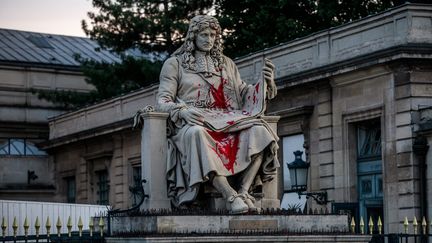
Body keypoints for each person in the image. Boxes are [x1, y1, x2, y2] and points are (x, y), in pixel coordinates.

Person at [157, 15, 279, 214]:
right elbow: (163, 101)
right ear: (193, 37)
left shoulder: (227, 64)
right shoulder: (175, 64)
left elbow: (243, 94)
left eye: (213, 35)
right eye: (204, 34)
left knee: (261, 132)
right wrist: (182, 110)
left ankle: (243, 191)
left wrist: (266, 84)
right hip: (194, 120)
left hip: (228, 119)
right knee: (196, 133)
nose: (209, 39)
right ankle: (229, 195)